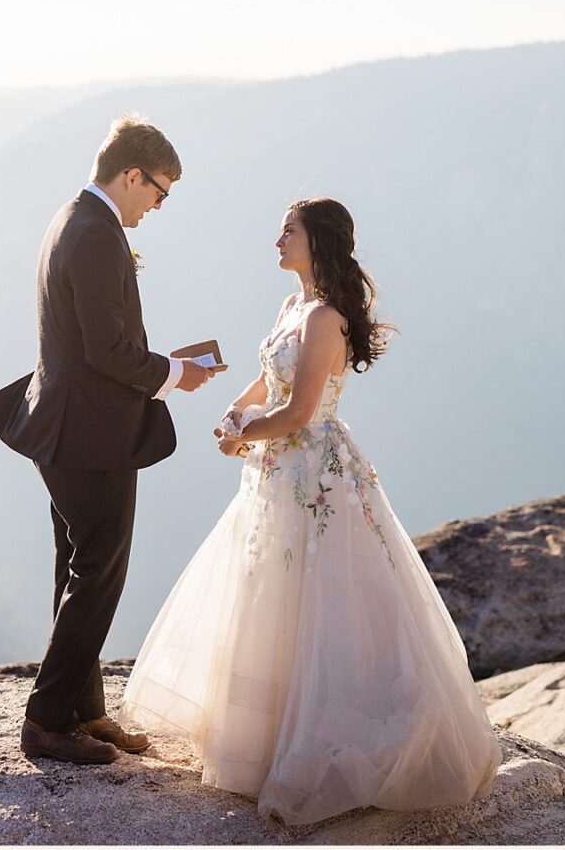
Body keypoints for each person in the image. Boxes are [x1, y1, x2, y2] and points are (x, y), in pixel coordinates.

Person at [117, 197, 501, 823]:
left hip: (311, 473)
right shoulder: (292, 307)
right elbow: (269, 382)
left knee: (318, 598)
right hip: (275, 471)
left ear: (315, 241)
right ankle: (266, 742)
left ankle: (326, 744)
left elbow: (299, 412)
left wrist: (247, 434)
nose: (276, 239)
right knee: (271, 595)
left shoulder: (324, 318)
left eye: (287, 231)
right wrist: (236, 412)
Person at [0, 114, 217, 765]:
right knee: (99, 572)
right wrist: (174, 373)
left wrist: (164, 363)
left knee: (76, 567)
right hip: (89, 435)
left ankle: (83, 713)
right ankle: (46, 719)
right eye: (160, 191)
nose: (159, 206)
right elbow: (107, 350)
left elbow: (95, 343)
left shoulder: (73, 220)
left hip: (62, 426)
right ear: (133, 174)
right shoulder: (96, 235)